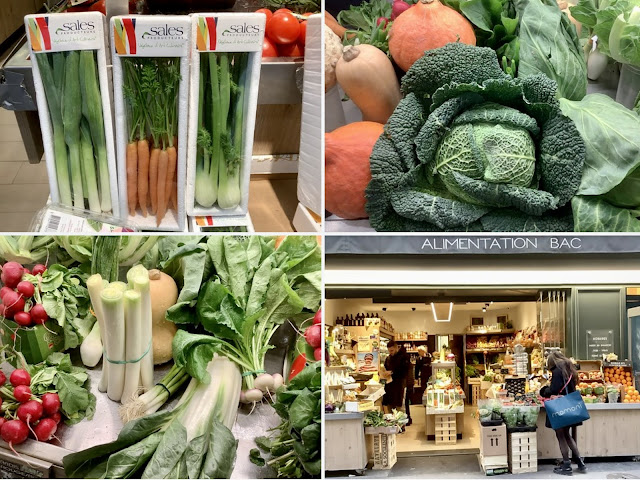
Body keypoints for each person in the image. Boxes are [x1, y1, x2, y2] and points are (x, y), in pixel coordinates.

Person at [540, 351, 587, 475]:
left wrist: (544, 390)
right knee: (568, 435)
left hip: (560, 407)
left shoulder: (557, 371)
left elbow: (554, 390)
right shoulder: (570, 369)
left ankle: (566, 465)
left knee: (561, 436)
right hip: (569, 406)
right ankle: (580, 464)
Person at [381, 341, 410, 415]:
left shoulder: (404, 357)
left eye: (392, 350)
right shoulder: (389, 358)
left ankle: (401, 423)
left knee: (400, 406)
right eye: (389, 351)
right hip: (390, 385)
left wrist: (392, 372)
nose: (390, 352)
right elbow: (386, 367)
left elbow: (404, 370)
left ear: (396, 348)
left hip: (400, 384)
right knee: (390, 405)